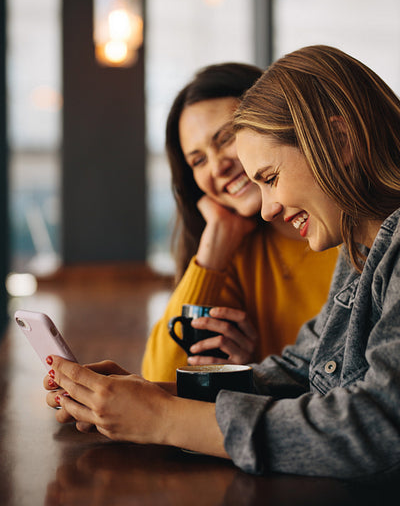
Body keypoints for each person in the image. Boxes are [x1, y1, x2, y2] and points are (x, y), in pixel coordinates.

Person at [45, 44, 400, 479]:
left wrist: (164, 417)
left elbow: (379, 428)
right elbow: (307, 368)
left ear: (339, 140)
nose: (268, 207)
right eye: (197, 159)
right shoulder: (360, 245)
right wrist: (148, 394)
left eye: (269, 178)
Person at [142, 62, 338, 382]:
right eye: (199, 160)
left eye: (226, 138)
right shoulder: (233, 254)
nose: (218, 166)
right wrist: (214, 246)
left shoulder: (358, 230)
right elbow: (160, 378)